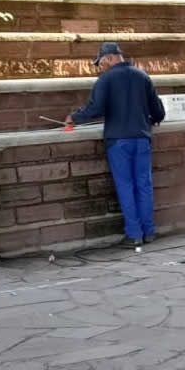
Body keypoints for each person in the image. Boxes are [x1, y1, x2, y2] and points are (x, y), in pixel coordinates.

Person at [66, 42, 166, 248]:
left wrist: (73, 117)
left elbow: (95, 109)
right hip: (142, 138)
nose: (100, 68)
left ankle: (134, 234)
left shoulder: (106, 79)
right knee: (144, 185)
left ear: (110, 58)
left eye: (100, 63)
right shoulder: (142, 76)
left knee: (125, 186)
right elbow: (158, 112)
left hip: (119, 141)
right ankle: (149, 232)